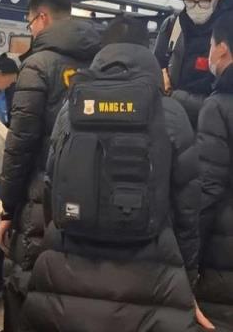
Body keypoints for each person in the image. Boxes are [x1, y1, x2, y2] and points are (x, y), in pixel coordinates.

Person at [20, 17, 207, 332]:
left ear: (103, 54)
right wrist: (186, 282)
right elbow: (188, 212)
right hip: (150, 279)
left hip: (69, 275)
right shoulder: (170, 114)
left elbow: (51, 188)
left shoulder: (71, 109)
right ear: (147, 51)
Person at [0, 0, 101, 331]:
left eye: (30, 22)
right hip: (88, 203)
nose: (31, 30)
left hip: (38, 204)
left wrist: (7, 209)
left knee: (25, 286)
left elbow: (20, 145)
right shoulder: (100, 63)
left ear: (42, 17)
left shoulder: (38, 65)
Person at [154, 0, 233, 127]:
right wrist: (160, 77)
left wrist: (174, 98)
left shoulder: (228, 29)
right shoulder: (172, 26)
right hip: (175, 126)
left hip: (219, 128)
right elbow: (157, 66)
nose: (196, 4)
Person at [195, 14, 233, 329]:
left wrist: (187, 262)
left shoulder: (218, 107)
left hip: (223, 252)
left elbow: (208, 188)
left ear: (222, 48)